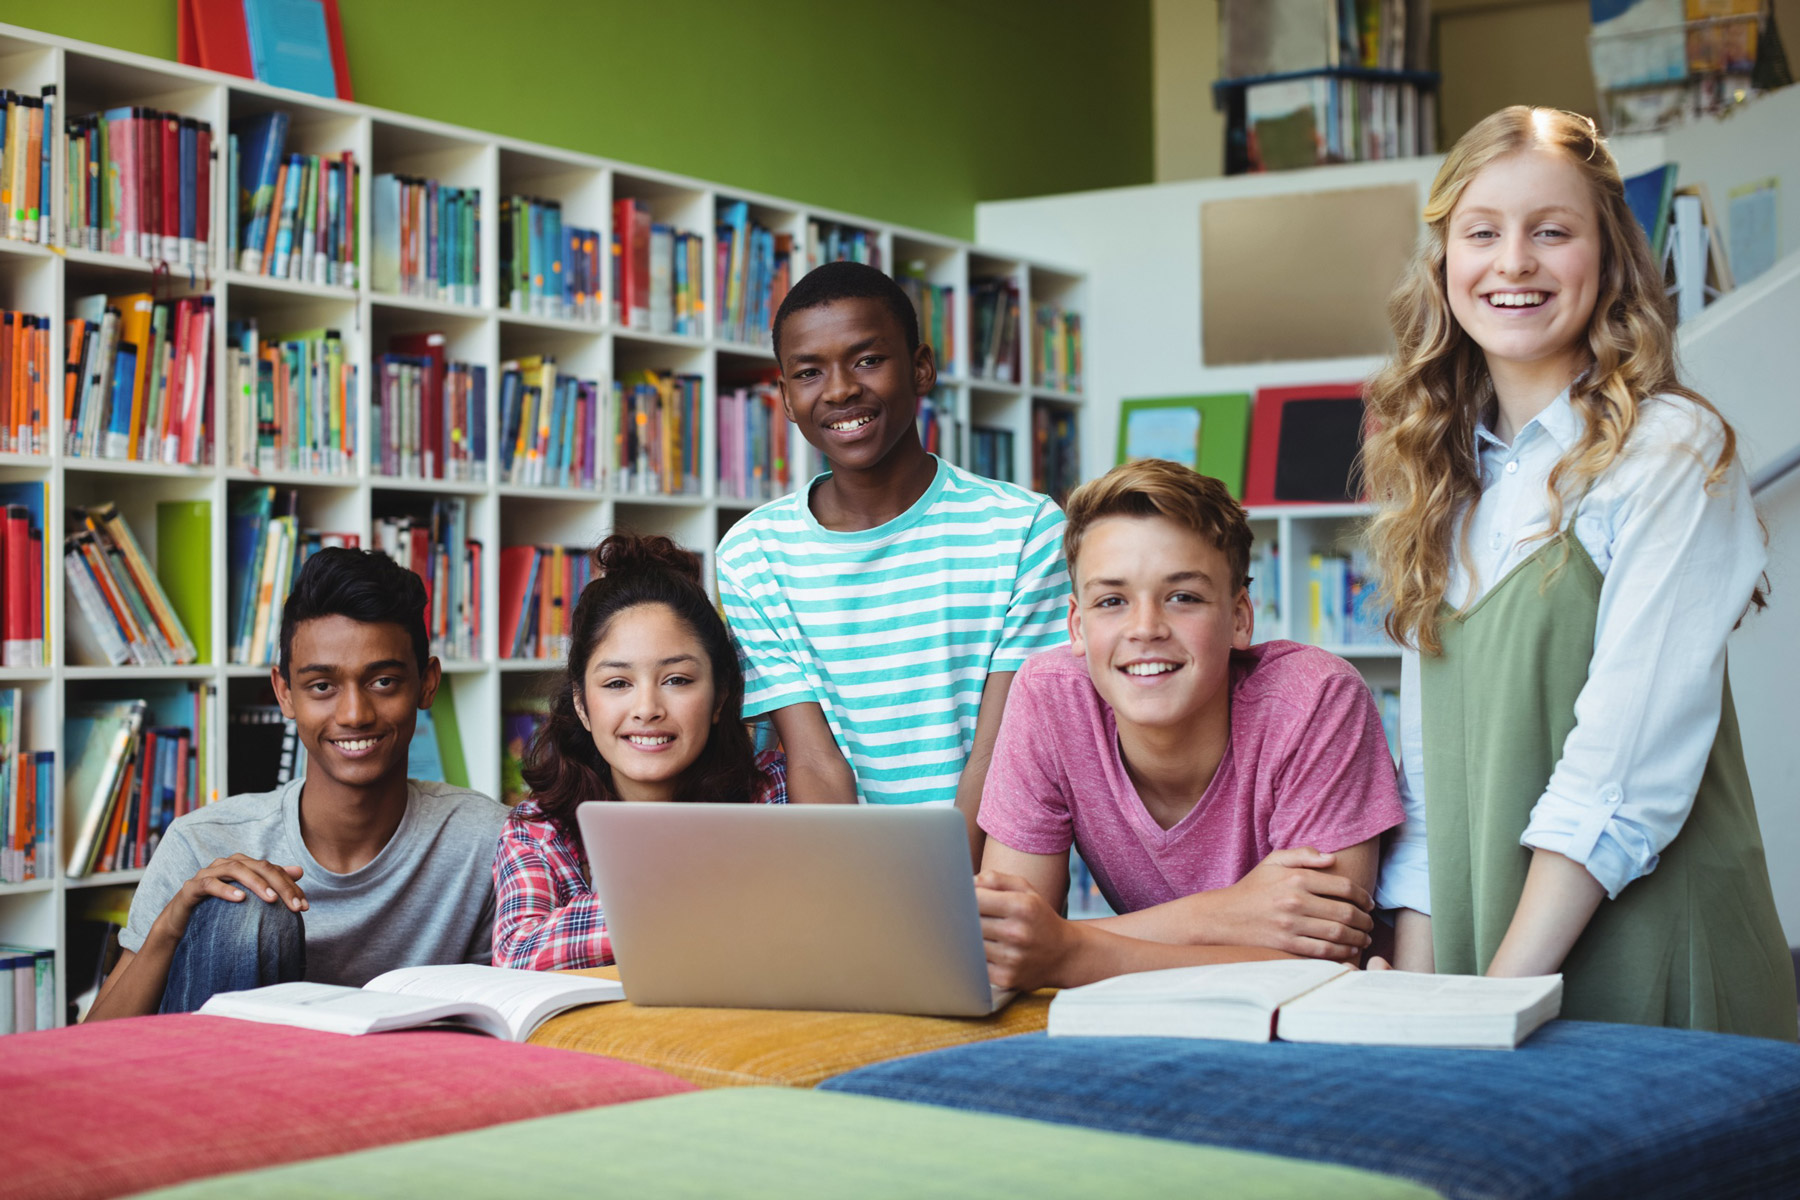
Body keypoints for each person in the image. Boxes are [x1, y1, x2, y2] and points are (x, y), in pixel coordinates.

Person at [1363, 106, 1795, 1038]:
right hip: (1491, 981)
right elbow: (1431, 797)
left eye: (1551, 232)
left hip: (1650, 969)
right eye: (1482, 233)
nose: (1513, 261)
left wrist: (1492, 1000)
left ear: (1608, 263)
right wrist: (1411, 1005)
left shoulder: (1671, 452)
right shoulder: (1444, 484)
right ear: (1444, 265)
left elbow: (1620, 776)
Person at [976, 459, 1405, 991]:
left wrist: (1071, 951)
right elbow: (1007, 944)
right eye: (1111, 601)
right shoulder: (1049, 697)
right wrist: (1220, 916)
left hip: (1323, 1027)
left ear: (1241, 617)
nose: (1145, 628)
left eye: (1183, 597)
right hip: (1155, 1012)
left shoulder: (1315, 697)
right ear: (1076, 625)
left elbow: (1322, 961)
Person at [715, 261, 1069, 862]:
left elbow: (1004, 749)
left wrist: (936, 887)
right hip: (844, 877)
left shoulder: (1025, 529)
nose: (840, 389)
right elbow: (813, 760)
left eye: (867, 359)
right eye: (808, 372)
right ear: (786, 400)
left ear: (921, 367)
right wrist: (874, 896)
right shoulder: (753, 554)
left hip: (994, 874)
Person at [88, 549, 506, 1019]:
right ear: (284, 693)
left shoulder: (487, 841)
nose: (354, 715)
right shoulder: (203, 841)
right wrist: (170, 925)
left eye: (384, 681)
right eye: (322, 687)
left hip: (402, 1082)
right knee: (245, 904)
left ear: (427, 684)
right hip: (225, 1081)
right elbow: (91, 1049)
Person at [493, 534, 786, 971]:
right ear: (582, 705)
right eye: (617, 684)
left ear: (720, 697)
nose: (647, 709)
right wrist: (706, 894)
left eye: (677, 680)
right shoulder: (539, 830)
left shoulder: (774, 791)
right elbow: (519, 951)